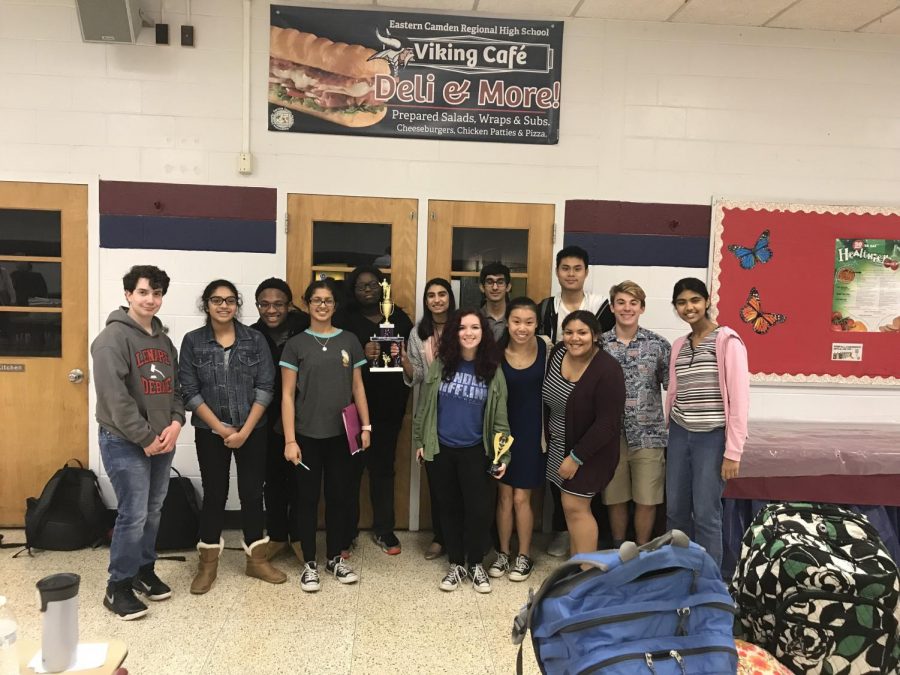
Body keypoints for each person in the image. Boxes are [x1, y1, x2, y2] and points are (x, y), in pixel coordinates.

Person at [179, 279, 285, 594]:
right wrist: (222, 428)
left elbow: (266, 387)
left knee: (253, 493)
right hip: (210, 431)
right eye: (216, 300)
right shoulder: (192, 341)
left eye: (229, 300)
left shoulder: (255, 339)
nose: (224, 306)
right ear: (206, 304)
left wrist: (245, 430)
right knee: (215, 494)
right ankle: (207, 564)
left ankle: (256, 560)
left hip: (253, 428)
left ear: (237, 304)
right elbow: (189, 391)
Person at [91, 265, 184, 620]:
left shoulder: (164, 340)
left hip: (163, 440)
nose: (151, 299)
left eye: (157, 293)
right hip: (124, 441)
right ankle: (118, 586)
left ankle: (143, 570)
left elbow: (178, 389)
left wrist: (176, 422)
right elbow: (115, 399)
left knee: (153, 509)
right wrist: (145, 438)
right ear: (128, 294)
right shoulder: (112, 339)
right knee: (133, 514)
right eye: (144, 292)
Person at [280, 279, 371, 591]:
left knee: (339, 497)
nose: (322, 305)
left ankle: (335, 557)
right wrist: (290, 440)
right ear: (307, 304)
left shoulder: (349, 340)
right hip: (306, 434)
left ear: (335, 305)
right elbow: (287, 395)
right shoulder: (296, 344)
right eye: (316, 300)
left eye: (328, 300)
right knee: (306, 500)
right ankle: (309, 563)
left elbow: (358, 386)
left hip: (342, 434)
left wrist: (366, 427)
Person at [412, 310, 511, 594]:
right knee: (448, 508)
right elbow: (426, 407)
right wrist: (421, 440)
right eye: (463, 328)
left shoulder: (492, 369)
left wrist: (502, 455)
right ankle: (456, 564)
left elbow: (500, 417)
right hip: (441, 449)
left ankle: (476, 563)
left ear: (483, 333)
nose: (468, 333)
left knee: (479, 510)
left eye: (475, 327)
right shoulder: (441, 365)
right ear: (455, 332)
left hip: (476, 451)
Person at [537, 245, 615, 557]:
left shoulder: (601, 306)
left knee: (584, 477)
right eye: (565, 268)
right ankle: (561, 530)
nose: (571, 274)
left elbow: (604, 346)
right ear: (557, 272)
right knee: (559, 472)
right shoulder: (546, 307)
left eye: (577, 268)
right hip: (557, 396)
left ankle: (585, 546)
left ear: (585, 272)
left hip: (590, 399)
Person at [666, 278, 749, 567]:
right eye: (681, 302)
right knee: (675, 510)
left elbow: (739, 400)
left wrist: (733, 451)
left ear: (706, 302)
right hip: (678, 433)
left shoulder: (727, 340)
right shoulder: (679, 345)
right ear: (676, 307)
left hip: (711, 438)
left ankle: (709, 583)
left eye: (694, 300)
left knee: (706, 513)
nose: (689, 307)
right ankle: (678, 571)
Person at [335, 265, 413, 556]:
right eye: (361, 286)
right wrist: (360, 351)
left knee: (383, 469)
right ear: (352, 290)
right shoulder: (343, 318)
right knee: (351, 471)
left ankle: (384, 529)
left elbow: (407, 356)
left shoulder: (399, 317)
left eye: (372, 285)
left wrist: (398, 353)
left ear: (382, 288)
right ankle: (346, 533)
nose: (367, 290)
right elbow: (333, 355)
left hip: (389, 407)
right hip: (352, 406)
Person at [542, 310, 625, 556]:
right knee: (569, 508)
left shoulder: (608, 369)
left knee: (576, 506)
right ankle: (576, 565)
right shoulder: (557, 354)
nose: (574, 338)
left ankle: (587, 574)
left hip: (590, 451)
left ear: (596, 335)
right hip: (559, 445)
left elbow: (607, 424)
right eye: (569, 332)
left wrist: (576, 457)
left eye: (582, 332)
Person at [600, 281, 671, 546]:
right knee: (615, 497)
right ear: (612, 307)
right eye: (621, 302)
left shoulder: (658, 345)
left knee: (647, 497)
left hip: (649, 435)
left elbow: (672, 388)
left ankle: (642, 551)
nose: (627, 308)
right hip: (609, 436)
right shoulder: (600, 344)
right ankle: (620, 549)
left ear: (642, 308)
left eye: (633, 303)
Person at [488, 298, 549, 583]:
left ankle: (523, 556)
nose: (522, 328)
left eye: (528, 322)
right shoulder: (494, 353)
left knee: (522, 497)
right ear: (507, 323)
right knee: (504, 496)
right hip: (502, 433)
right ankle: (503, 552)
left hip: (532, 433)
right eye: (516, 321)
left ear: (536, 323)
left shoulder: (548, 350)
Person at [249, 278, 310, 561]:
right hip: (263, 420)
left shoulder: (308, 328)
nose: (271, 310)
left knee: (302, 480)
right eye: (264, 304)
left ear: (289, 305)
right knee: (271, 481)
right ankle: (276, 536)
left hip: (305, 418)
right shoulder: (250, 334)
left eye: (278, 304)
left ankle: (299, 537)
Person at [401, 278, 456, 560]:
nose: (436, 300)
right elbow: (419, 376)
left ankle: (461, 537)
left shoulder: (463, 327)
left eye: (442, 294)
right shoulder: (417, 333)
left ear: (450, 298)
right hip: (431, 413)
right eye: (431, 295)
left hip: (461, 410)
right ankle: (440, 537)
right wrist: (403, 361)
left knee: (460, 479)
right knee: (436, 480)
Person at [479, 262, 511, 340]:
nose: (495, 287)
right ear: (482, 287)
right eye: (490, 282)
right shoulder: (474, 317)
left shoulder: (516, 317)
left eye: (500, 282)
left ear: (508, 287)